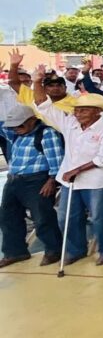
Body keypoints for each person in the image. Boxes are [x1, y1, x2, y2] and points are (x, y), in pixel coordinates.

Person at [32, 76, 103, 267]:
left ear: (97, 112)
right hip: (69, 182)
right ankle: (76, 250)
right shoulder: (70, 124)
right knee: (66, 217)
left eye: (83, 110)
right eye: (77, 109)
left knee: (99, 218)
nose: (77, 113)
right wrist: (37, 81)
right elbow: (43, 105)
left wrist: (77, 170)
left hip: (96, 182)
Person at [0, 104, 64, 267]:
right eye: (13, 126)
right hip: (14, 179)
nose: (16, 128)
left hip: (36, 180)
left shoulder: (46, 133)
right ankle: (15, 252)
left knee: (42, 217)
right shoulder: (15, 133)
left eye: (20, 125)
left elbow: (56, 159)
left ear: (32, 120)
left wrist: (52, 181)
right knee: (8, 217)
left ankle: (53, 250)